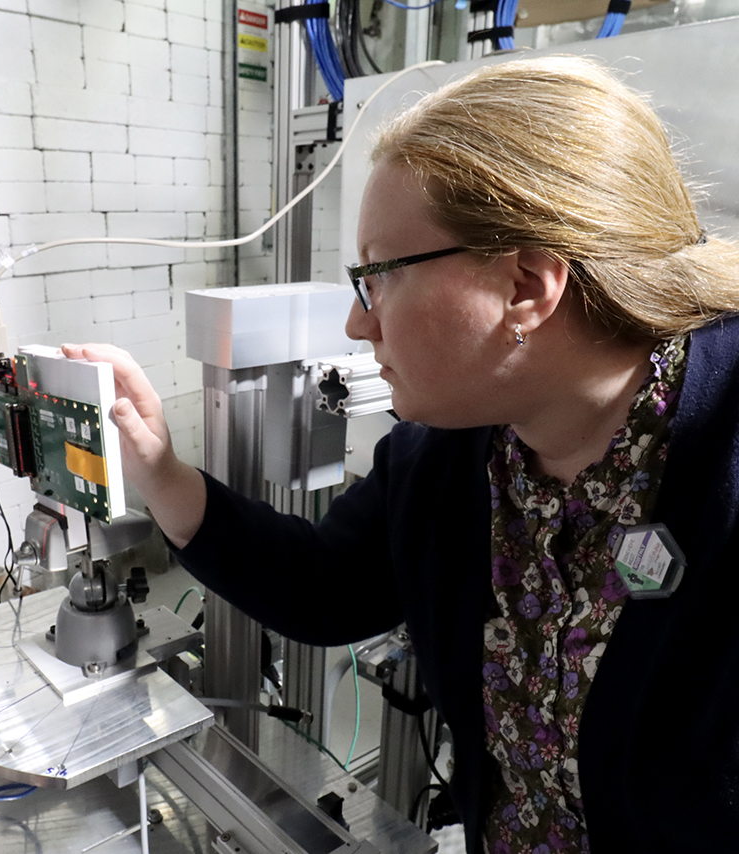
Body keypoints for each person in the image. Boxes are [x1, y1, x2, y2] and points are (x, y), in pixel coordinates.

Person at [63, 55, 739, 854]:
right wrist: (160, 472)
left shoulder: (722, 451)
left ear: (526, 286)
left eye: (378, 276)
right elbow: (324, 586)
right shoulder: (448, 457)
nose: (357, 323)